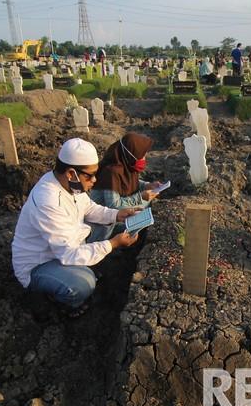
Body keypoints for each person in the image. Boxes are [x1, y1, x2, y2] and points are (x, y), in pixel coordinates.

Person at [12, 138, 140, 318]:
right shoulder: (48, 201)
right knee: (83, 284)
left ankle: (80, 269)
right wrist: (112, 244)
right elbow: (68, 254)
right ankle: (66, 304)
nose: (95, 180)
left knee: (113, 225)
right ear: (71, 173)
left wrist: (117, 214)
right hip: (39, 263)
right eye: (90, 175)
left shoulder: (70, 185)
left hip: (62, 248)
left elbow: (89, 208)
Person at [88, 133, 165, 241]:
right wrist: (140, 197)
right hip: (103, 222)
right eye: (141, 156)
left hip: (117, 215)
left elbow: (128, 182)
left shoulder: (125, 164)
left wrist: (146, 185)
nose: (144, 159)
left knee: (146, 207)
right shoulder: (111, 172)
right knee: (143, 206)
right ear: (131, 155)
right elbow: (114, 205)